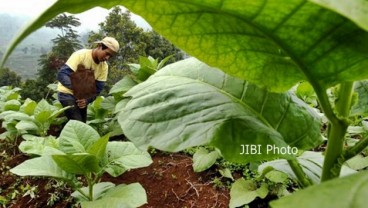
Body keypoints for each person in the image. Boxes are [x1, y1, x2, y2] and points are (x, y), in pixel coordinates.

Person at [56, 36, 119, 122]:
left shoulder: (104, 67)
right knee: (78, 123)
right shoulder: (81, 55)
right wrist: (79, 90)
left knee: (82, 124)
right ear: (100, 46)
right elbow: (62, 74)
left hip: (82, 97)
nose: (107, 58)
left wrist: (86, 100)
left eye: (110, 56)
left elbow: (98, 89)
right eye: (107, 53)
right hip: (67, 94)